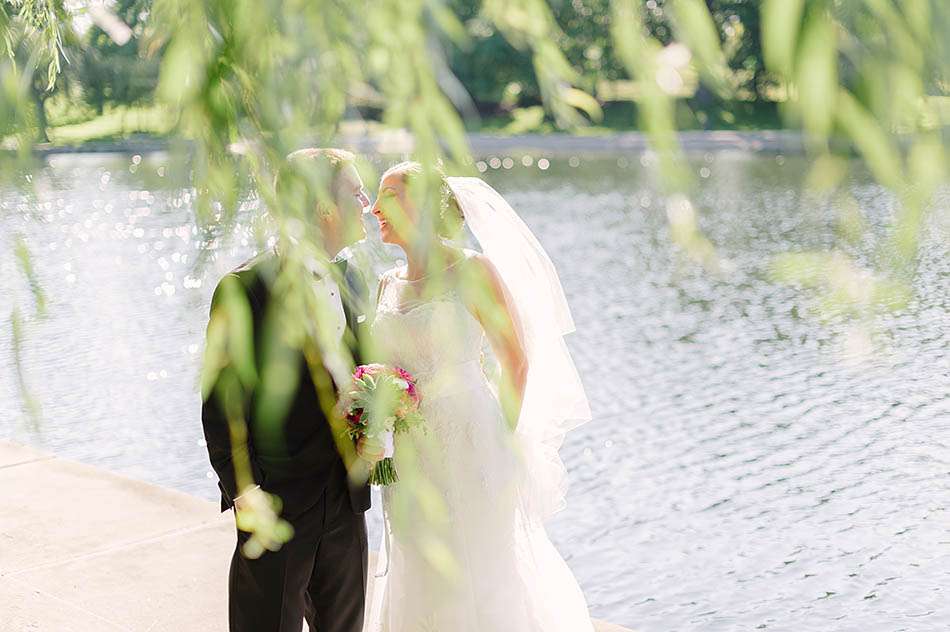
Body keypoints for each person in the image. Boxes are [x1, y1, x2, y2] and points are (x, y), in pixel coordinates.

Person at [365, 162, 594, 631]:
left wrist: (499, 444)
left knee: (477, 567)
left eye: (388, 196)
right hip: (409, 452)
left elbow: (517, 362)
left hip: (471, 445)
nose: (373, 209)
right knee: (416, 561)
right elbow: (381, 371)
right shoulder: (387, 283)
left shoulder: (471, 270)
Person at [201, 148, 383, 632]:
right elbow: (222, 407)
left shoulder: (353, 279)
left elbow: (360, 373)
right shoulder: (243, 289)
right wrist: (246, 495)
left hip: (346, 501)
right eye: (355, 191)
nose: (366, 201)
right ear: (325, 207)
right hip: (277, 503)